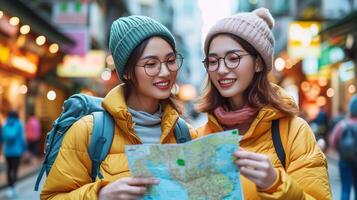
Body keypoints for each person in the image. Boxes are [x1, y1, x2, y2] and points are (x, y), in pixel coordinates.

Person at [41, 15, 197, 199]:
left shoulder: (185, 134)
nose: (165, 72)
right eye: (151, 64)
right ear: (128, 72)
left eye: (171, 61)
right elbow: (52, 196)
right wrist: (100, 195)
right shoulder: (89, 131)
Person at [196, 8, 332, 199]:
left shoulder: (293, 131)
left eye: (233, 58)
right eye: (213, 61)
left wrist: (275, 183)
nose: (221, 69)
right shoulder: (199, 137)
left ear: (258, 63)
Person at [329, 95, 357, 200]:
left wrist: (340, 150)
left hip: (345, 160)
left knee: (345, 188)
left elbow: (333, 141)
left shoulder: (342, 124)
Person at [0, 111, 26, 198]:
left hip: (7, 151)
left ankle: (10, 187)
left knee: (8, 169)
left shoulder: (5, 124)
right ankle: (14, 187)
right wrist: (24, 148)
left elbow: (2, 138)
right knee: (15, 169)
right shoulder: (19, 124)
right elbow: (22, 138)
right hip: (17, 151)